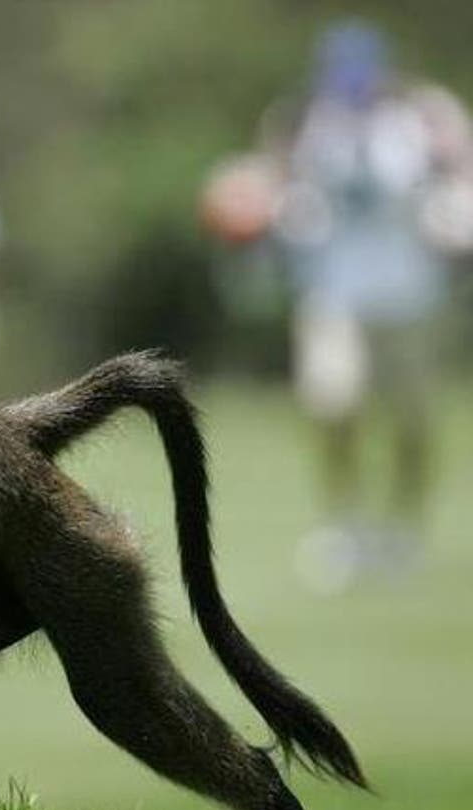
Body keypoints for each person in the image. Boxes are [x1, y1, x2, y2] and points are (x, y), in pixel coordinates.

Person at [202, 21, 473, 590]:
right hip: (334, 292)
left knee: (411, 419)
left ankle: (400, 525)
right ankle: (345, 524)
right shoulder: (300, 119)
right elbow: (265, 191)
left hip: (410, 293)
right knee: (333, 403)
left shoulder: (425, 118)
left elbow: (461, 187)